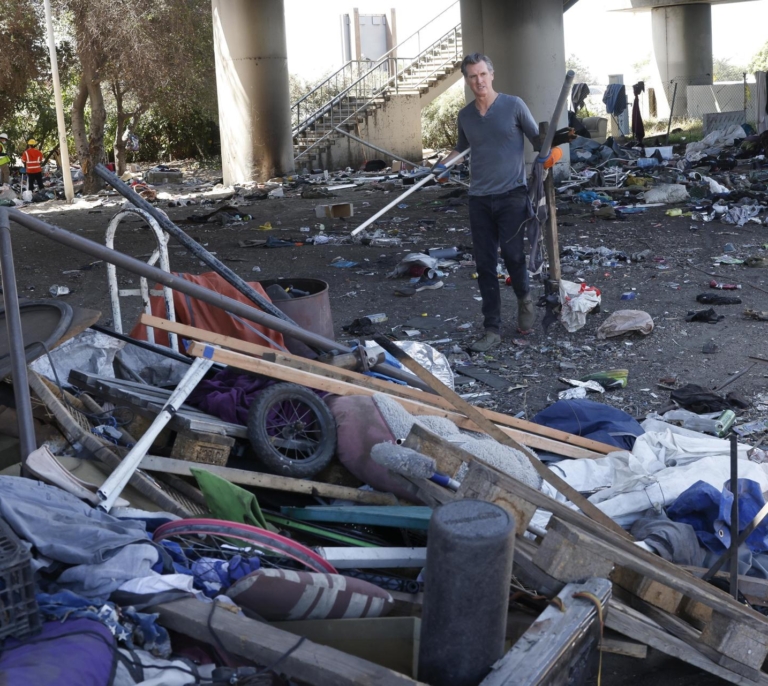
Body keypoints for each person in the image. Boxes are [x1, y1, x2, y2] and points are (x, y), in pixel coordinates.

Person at [436, 53, 552, 353]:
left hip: (512, 195)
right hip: (478, 199)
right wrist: (441, 167)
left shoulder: (513, 105)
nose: (479, 81)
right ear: (467, 80)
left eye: (483, 74)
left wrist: (550, 152)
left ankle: (525, 299)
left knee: (514, 258)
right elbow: (461, 149)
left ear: (492, 74)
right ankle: (492, 328)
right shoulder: (465, 116)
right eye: (473, 76)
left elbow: (537, 139)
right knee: (485, 264)